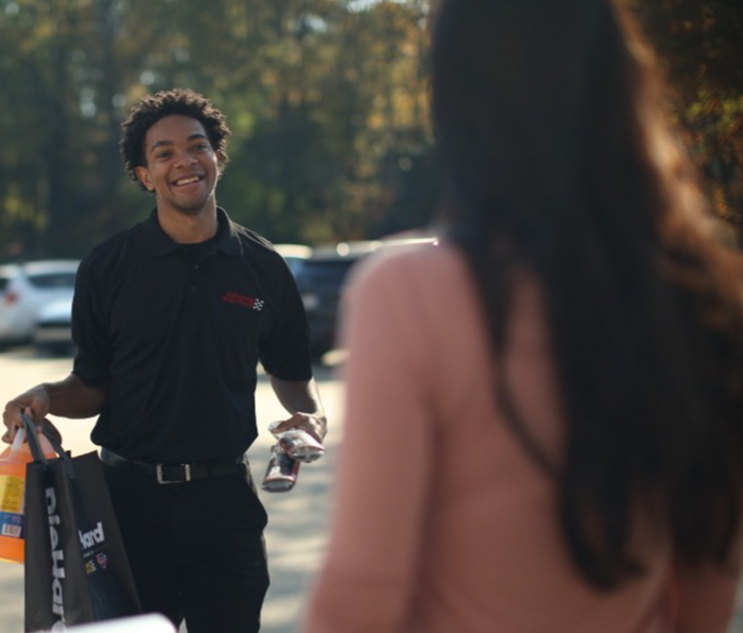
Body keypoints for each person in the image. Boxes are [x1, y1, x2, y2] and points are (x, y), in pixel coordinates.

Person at [303, 0, 743, 632]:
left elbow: (361, 600)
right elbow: (707, 589)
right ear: (621, 84)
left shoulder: (408, 294)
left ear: (456, 95)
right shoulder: (703, 292)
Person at [3, 87, 327, 633]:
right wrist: (46, 397)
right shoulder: (109, 267)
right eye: (164, 153)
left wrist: (311, 416)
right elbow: (93, 384)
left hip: (225, 507)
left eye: (197, 146)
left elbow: (295, 377)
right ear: (144, 174)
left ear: (217, 158)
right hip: (125, 508)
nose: (184, 161)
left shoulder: (263, 267)